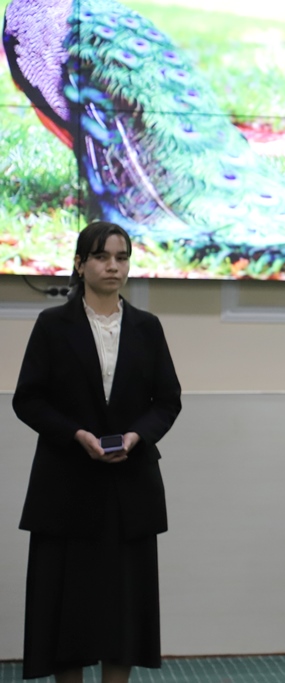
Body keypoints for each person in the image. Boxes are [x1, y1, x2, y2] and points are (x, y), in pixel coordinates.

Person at [12, 221, 182, 682]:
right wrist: (76, 435)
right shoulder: (53, 325)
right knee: (65, 612)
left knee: (123, 614)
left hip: (130, 488)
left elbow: (167, 401)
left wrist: (137, 436)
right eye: (102, 257)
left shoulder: (147, 327)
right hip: (65, 486)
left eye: (122, 257)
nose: (113, 266)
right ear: (80, 264)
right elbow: (28, 399)